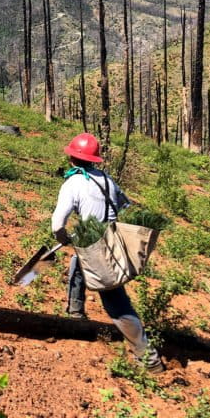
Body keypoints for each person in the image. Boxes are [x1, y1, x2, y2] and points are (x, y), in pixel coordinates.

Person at [52, 133, 164, 373]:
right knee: (77, 265)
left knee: (115, 301)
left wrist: (64, 238)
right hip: (112, 241)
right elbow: (123, 204)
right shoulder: (106, 180)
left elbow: (57, 224)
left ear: (72, 157)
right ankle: (75, 315)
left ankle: (149, 359)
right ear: (93, 160)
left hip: (96, 247)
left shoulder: (73, 183)